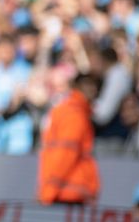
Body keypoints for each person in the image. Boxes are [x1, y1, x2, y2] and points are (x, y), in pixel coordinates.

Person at [38, 75, 101, 206]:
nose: (93, 90)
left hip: (65, 191)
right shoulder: (74, 114)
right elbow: (65, 154)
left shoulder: (70, 111)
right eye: (88, 85)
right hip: (67, 193)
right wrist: (48, 193)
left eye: (95, 86)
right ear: (76, 87)